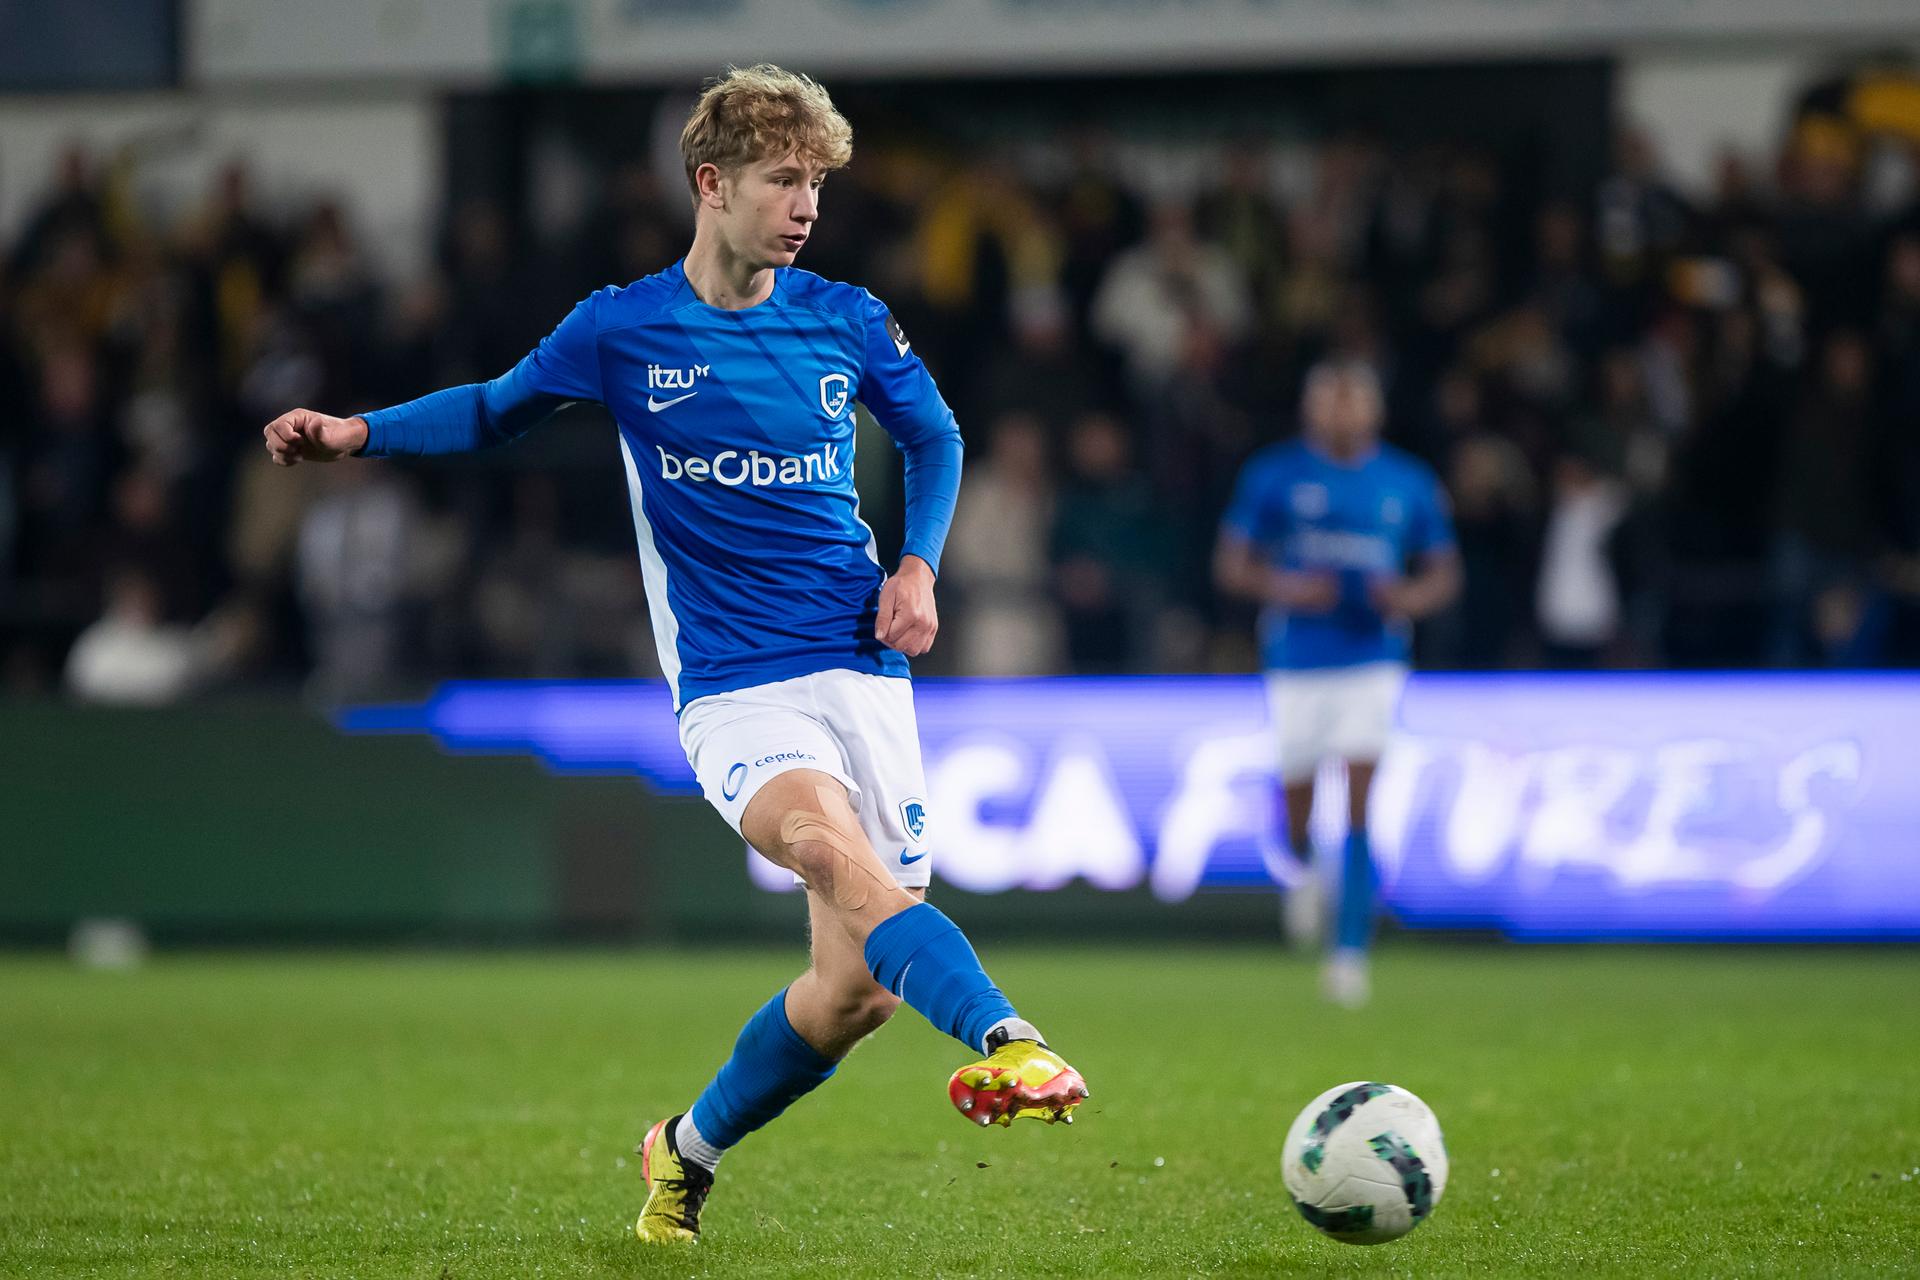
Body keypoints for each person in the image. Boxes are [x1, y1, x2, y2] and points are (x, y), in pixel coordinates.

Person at [259, 64, 1087, 1244]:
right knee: (829, 851)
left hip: (862, 667)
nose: (806, 206)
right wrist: (359, 431)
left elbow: (935, 432)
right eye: (782, 180)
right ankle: (1012, 1038)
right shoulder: (624, 327)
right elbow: (498, 406)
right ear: (712, 184)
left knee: (851, 993)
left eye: (816, 184)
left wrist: (919, 564)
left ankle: (682, 1151)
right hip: (737, 687)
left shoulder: (845, 317)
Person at [1213, 360, 1459, 1007]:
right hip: (1297, 659)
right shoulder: (1276, 474)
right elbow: (1233, 564)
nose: (1342, 412)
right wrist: (1287, 588)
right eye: (1331, 400)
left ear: (1374, 410)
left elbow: (1443, 571)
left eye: (1354, 401)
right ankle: (1300, 871)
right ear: (1311, 408)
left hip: (1373, 657)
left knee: (1359, 799)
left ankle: (1348, 955)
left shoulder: (1406, 481)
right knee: (1296, 805)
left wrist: (1406, 597)